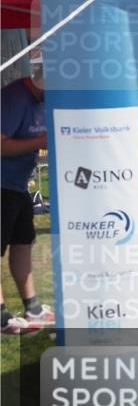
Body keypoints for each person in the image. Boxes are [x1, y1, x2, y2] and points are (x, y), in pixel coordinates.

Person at [0, 72, 55, 335]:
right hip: (1, 185)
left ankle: (32, 307)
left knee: (23, 244)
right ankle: (1, 317)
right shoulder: (13, 98)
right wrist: (40, 142)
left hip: (17, 185)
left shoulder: (39, 100)